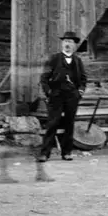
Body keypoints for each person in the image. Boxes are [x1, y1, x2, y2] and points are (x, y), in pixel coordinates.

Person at [38, 31, 87, 162]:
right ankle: (44, 153)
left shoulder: (77, 61)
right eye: (65, 41)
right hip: (56, 96)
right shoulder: (53, 59)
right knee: (52, 123)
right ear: (62, 44)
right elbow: (44, 78)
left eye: (70, 42)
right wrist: (48, 92)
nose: (67, 44)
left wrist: (79, 92)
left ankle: (67, 152)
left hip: (72, 96)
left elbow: (83, 79)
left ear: (74, 45)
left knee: (69, 124)